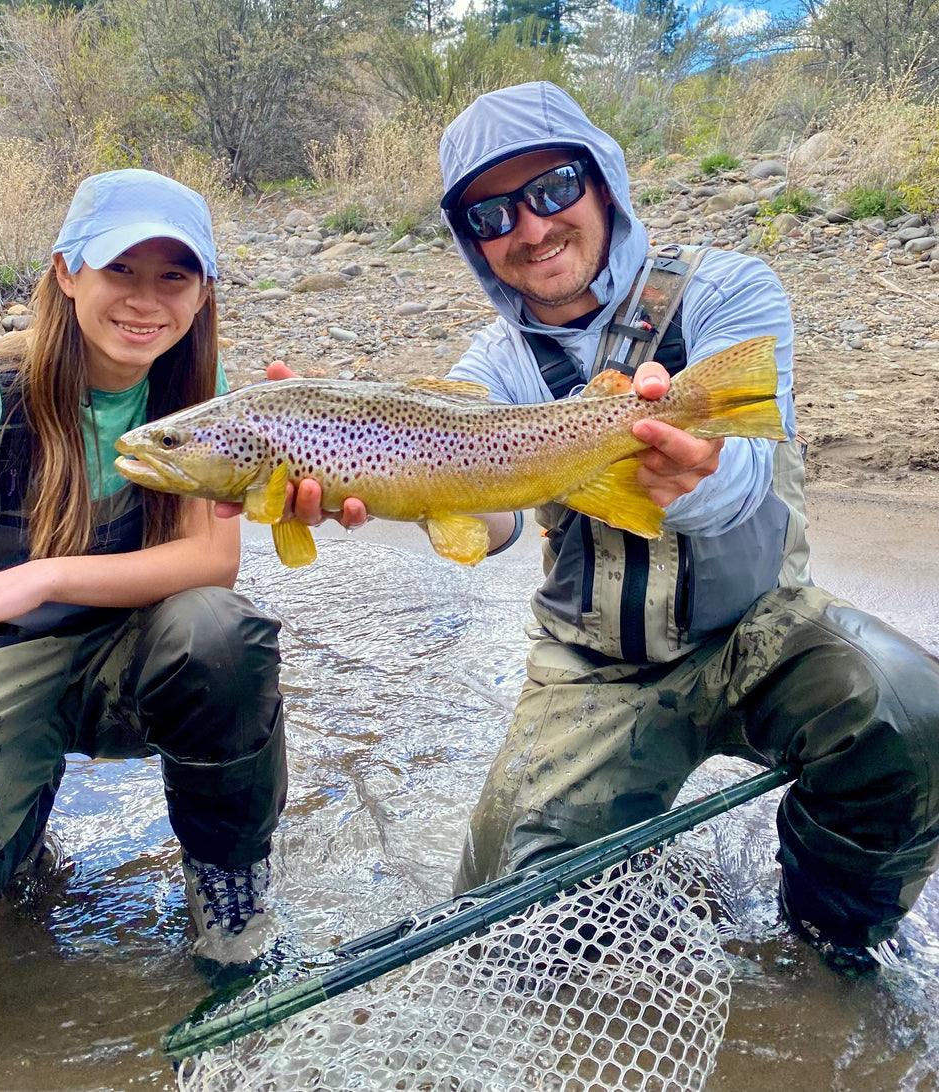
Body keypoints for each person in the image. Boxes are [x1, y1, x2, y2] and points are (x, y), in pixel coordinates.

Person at [280, 82, 939, 973]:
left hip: (760, 636)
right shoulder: (493, 366)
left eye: (552, 189)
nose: (531, 227)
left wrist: (691, 475)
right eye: (490, 213)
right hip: (591, 669)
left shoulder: (728, 290)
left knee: (910, 712)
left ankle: (830, 940)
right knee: (504, 935)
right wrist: (375, 470)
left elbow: (744, 479)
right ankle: (627, 861)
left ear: (602, 183)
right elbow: (497, 521)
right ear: (470, 239)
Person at [0, 168, 287, 987]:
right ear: (66, 270)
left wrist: (40, 575)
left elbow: (211, 563)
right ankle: (15, 833)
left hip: (144, 660)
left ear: (203, 295)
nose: (145, 300)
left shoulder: (203, 397)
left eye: (175, 276)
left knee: (223, 633)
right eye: (120, 269)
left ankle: (228, 882)